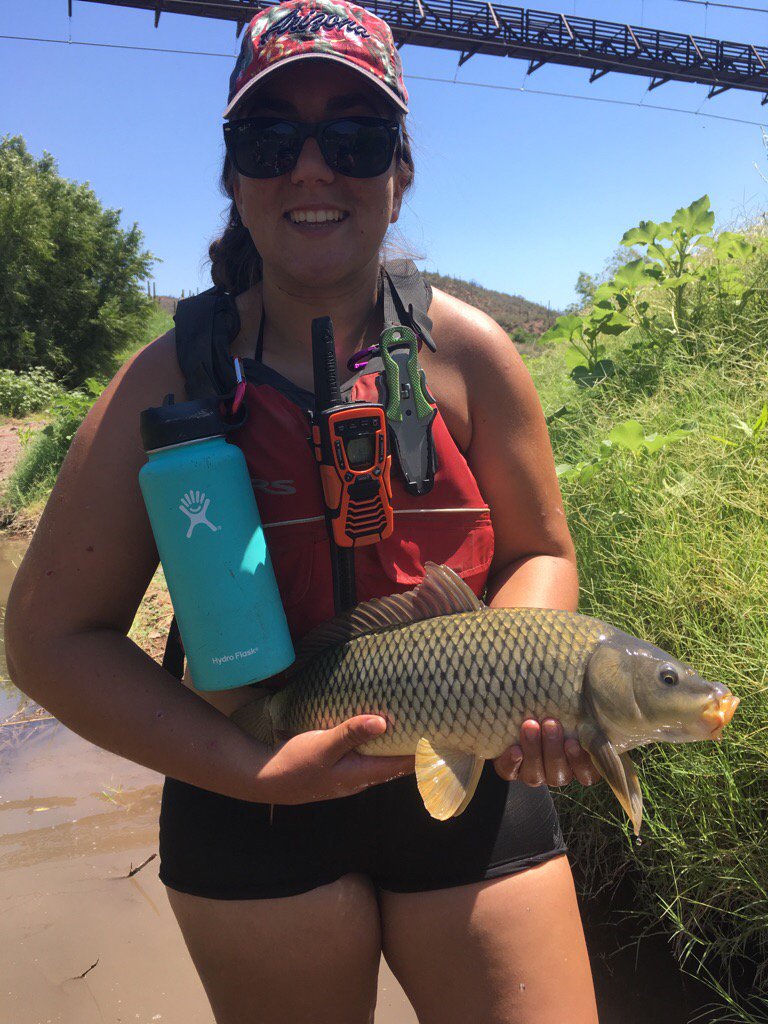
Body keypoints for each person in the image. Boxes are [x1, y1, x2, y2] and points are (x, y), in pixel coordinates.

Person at [5, 2, 603, 1021]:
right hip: (242, 800)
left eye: (356, 137)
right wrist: (251, 769)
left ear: (399, 170)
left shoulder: (472, 357)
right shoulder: (162, 383)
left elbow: (542, 550)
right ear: (233, 173)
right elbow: (49, 639)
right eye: (270, 137)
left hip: (467, 784)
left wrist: (526, 673)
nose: (312, 168)